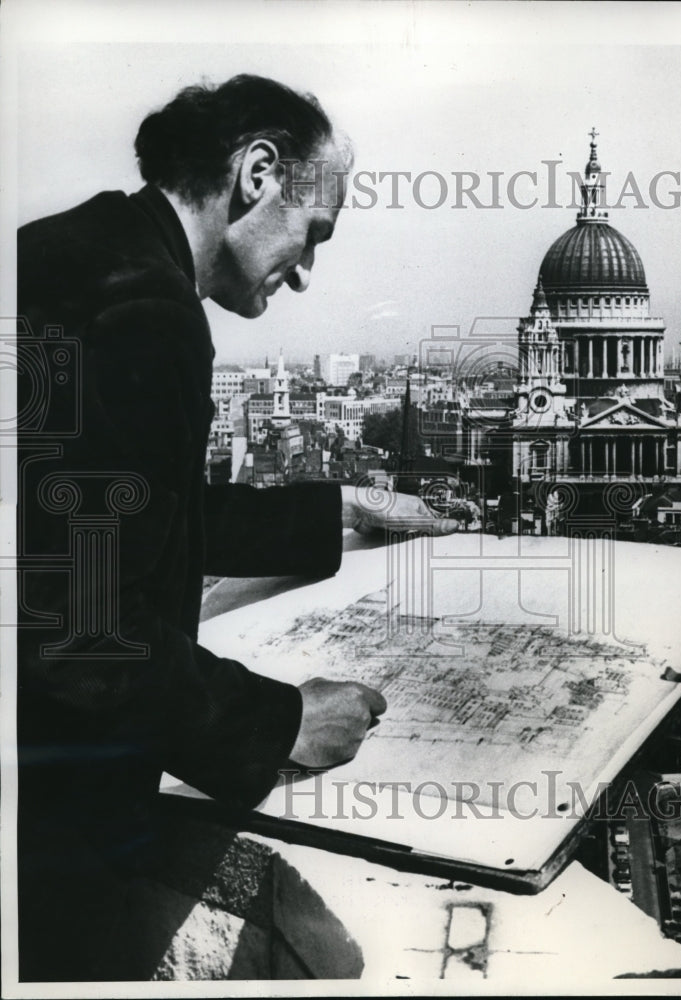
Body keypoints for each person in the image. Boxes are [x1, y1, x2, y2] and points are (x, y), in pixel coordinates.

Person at [16, 74, 456, 981]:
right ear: (258, 171)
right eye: (314, 233)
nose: (304, 271)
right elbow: (85, 634)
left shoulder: (58, 254)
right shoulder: (149, 313)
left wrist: (337, 510)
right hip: (46, 830)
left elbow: (108, 515)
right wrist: (281, 720)